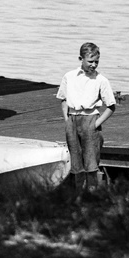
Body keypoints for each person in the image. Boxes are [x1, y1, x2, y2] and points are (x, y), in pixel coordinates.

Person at [55, 42, 117, 190]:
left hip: (90, 119)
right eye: (90, 61)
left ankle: (92, 194)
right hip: (73, 119)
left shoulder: (101, 80)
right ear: (80, 59)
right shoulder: (69, 76)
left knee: (91, 164)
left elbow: (111, 106)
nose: (94, 65)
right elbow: (63, 99)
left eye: (96, 62)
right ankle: (78, 195)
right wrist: (67, 120)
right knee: (76, 164)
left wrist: (95, 124)